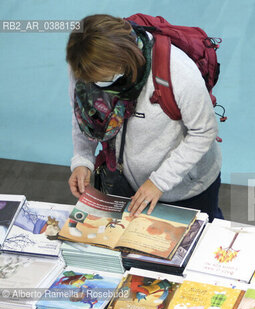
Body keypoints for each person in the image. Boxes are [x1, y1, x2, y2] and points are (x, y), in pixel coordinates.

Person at [66, 14, 223, 221]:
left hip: (187, 189)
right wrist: (82, 159)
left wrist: (160, 182)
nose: (97, 85)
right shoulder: (85, 68)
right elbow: (84, 117)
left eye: (103, 79)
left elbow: (204, 131)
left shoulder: (178, 71)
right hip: (127, 185)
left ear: (125, 59)